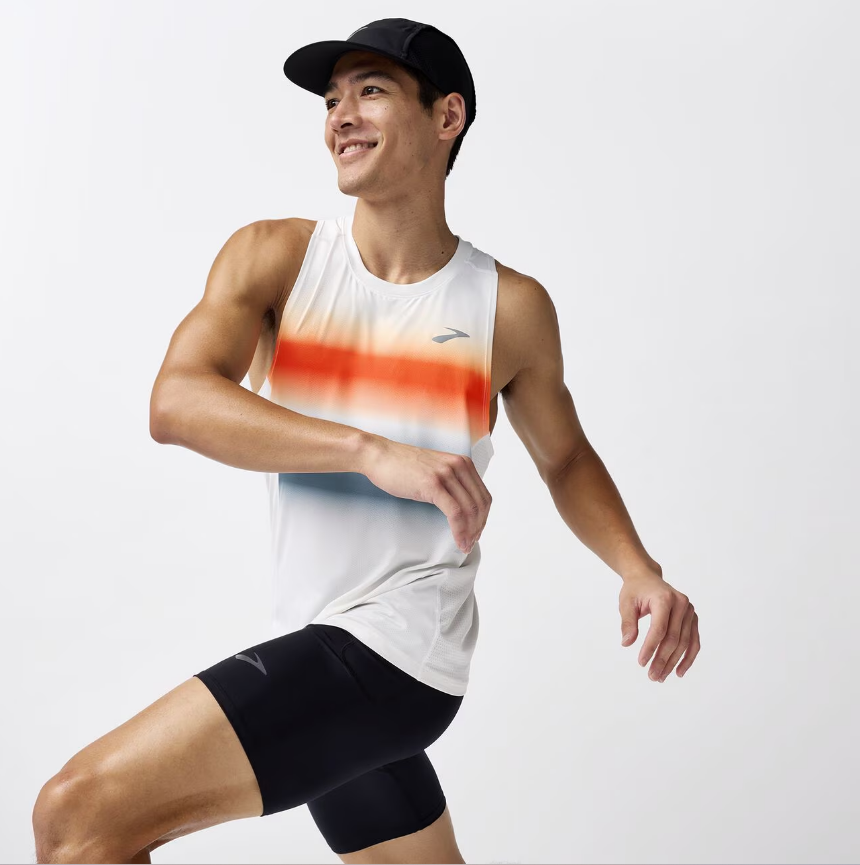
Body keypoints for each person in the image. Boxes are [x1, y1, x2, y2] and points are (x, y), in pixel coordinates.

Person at [31, 17, 700, 865]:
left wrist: (639, 569)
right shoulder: (277, 258)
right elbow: (177, 400)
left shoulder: (508, 306)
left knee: (77, 814)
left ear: (447, 116)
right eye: (331, 100)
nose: (340, 116)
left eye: (371, 92)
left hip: (397, 650)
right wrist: (369, 450)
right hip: (317, 641)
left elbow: (565, 457)